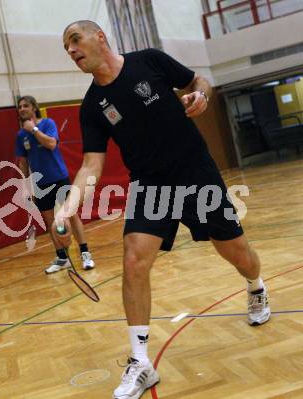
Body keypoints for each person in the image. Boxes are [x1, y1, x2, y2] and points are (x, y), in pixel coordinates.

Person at [52, 20, 271, 399]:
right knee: (134, 259)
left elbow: (198, 82)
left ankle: (256, 286)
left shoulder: (149, 62)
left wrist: (200, 96)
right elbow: (91, 165)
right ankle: (141, 362)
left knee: (235, 251)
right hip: (152, 184)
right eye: (66, 47)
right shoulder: (92, 106)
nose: (71, 50)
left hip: (195, 171)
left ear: (100, 36)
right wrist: (65, 208)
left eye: (75, 40)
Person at [15, 95, 95, 273]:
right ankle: (62, 257)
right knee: (50, 221)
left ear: (34, 108)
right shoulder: (21, 135)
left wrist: (34, 129)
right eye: (19, 107)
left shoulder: (47, 124)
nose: (22, 109)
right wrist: (26, 185)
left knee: (71, 216)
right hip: (40, 184)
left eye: (25, 106)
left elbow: (51, 144)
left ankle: (85, 254)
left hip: (59, 177)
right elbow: (23, 162)